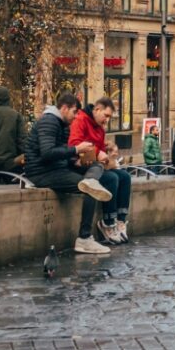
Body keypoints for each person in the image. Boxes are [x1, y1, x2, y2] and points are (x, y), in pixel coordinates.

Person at [23, 92, 114, 256]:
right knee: (90, 188)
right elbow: (47, 153)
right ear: (64, 108)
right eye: (74, 112)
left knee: (95, 166)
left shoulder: (62, 125)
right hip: (42, 173)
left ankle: (91, 181)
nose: (76, 116)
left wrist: (76, 160)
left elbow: (63, 152)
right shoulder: (49, 121)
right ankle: (84, 238)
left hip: (57, 168)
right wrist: (76, 150)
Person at [69, 97, 134, 244]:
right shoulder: (81, 120)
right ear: (97, 110)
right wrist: (98, 153)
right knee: (112, 178)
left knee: (124, 177)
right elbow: (75, 144)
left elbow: (99, 148)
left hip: (96, 165)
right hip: (80, 166)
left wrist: (106, 155)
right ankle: (108, 223)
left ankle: (120, 220)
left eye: (109, 117)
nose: (107, 120)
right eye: (106, 116)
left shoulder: (99, 127)